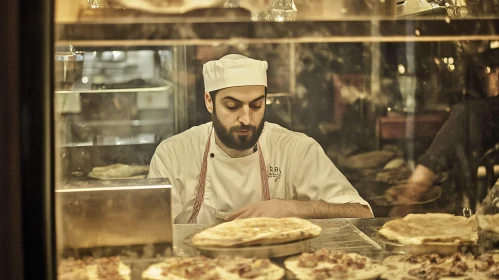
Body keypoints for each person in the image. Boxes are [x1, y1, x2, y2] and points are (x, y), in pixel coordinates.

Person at [148, 54, 372, 224]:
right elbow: (149, 229)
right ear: (209, 101)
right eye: (232, 106)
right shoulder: (173, 154)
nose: (246, 119)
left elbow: (361, 213)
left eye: (256, 105)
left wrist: (292, 208)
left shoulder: (295, 149)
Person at [389, 53, 499, 216]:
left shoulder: (473, 113)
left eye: (491, 70)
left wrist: (404, 202)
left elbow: (424, 176)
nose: (490, 76)